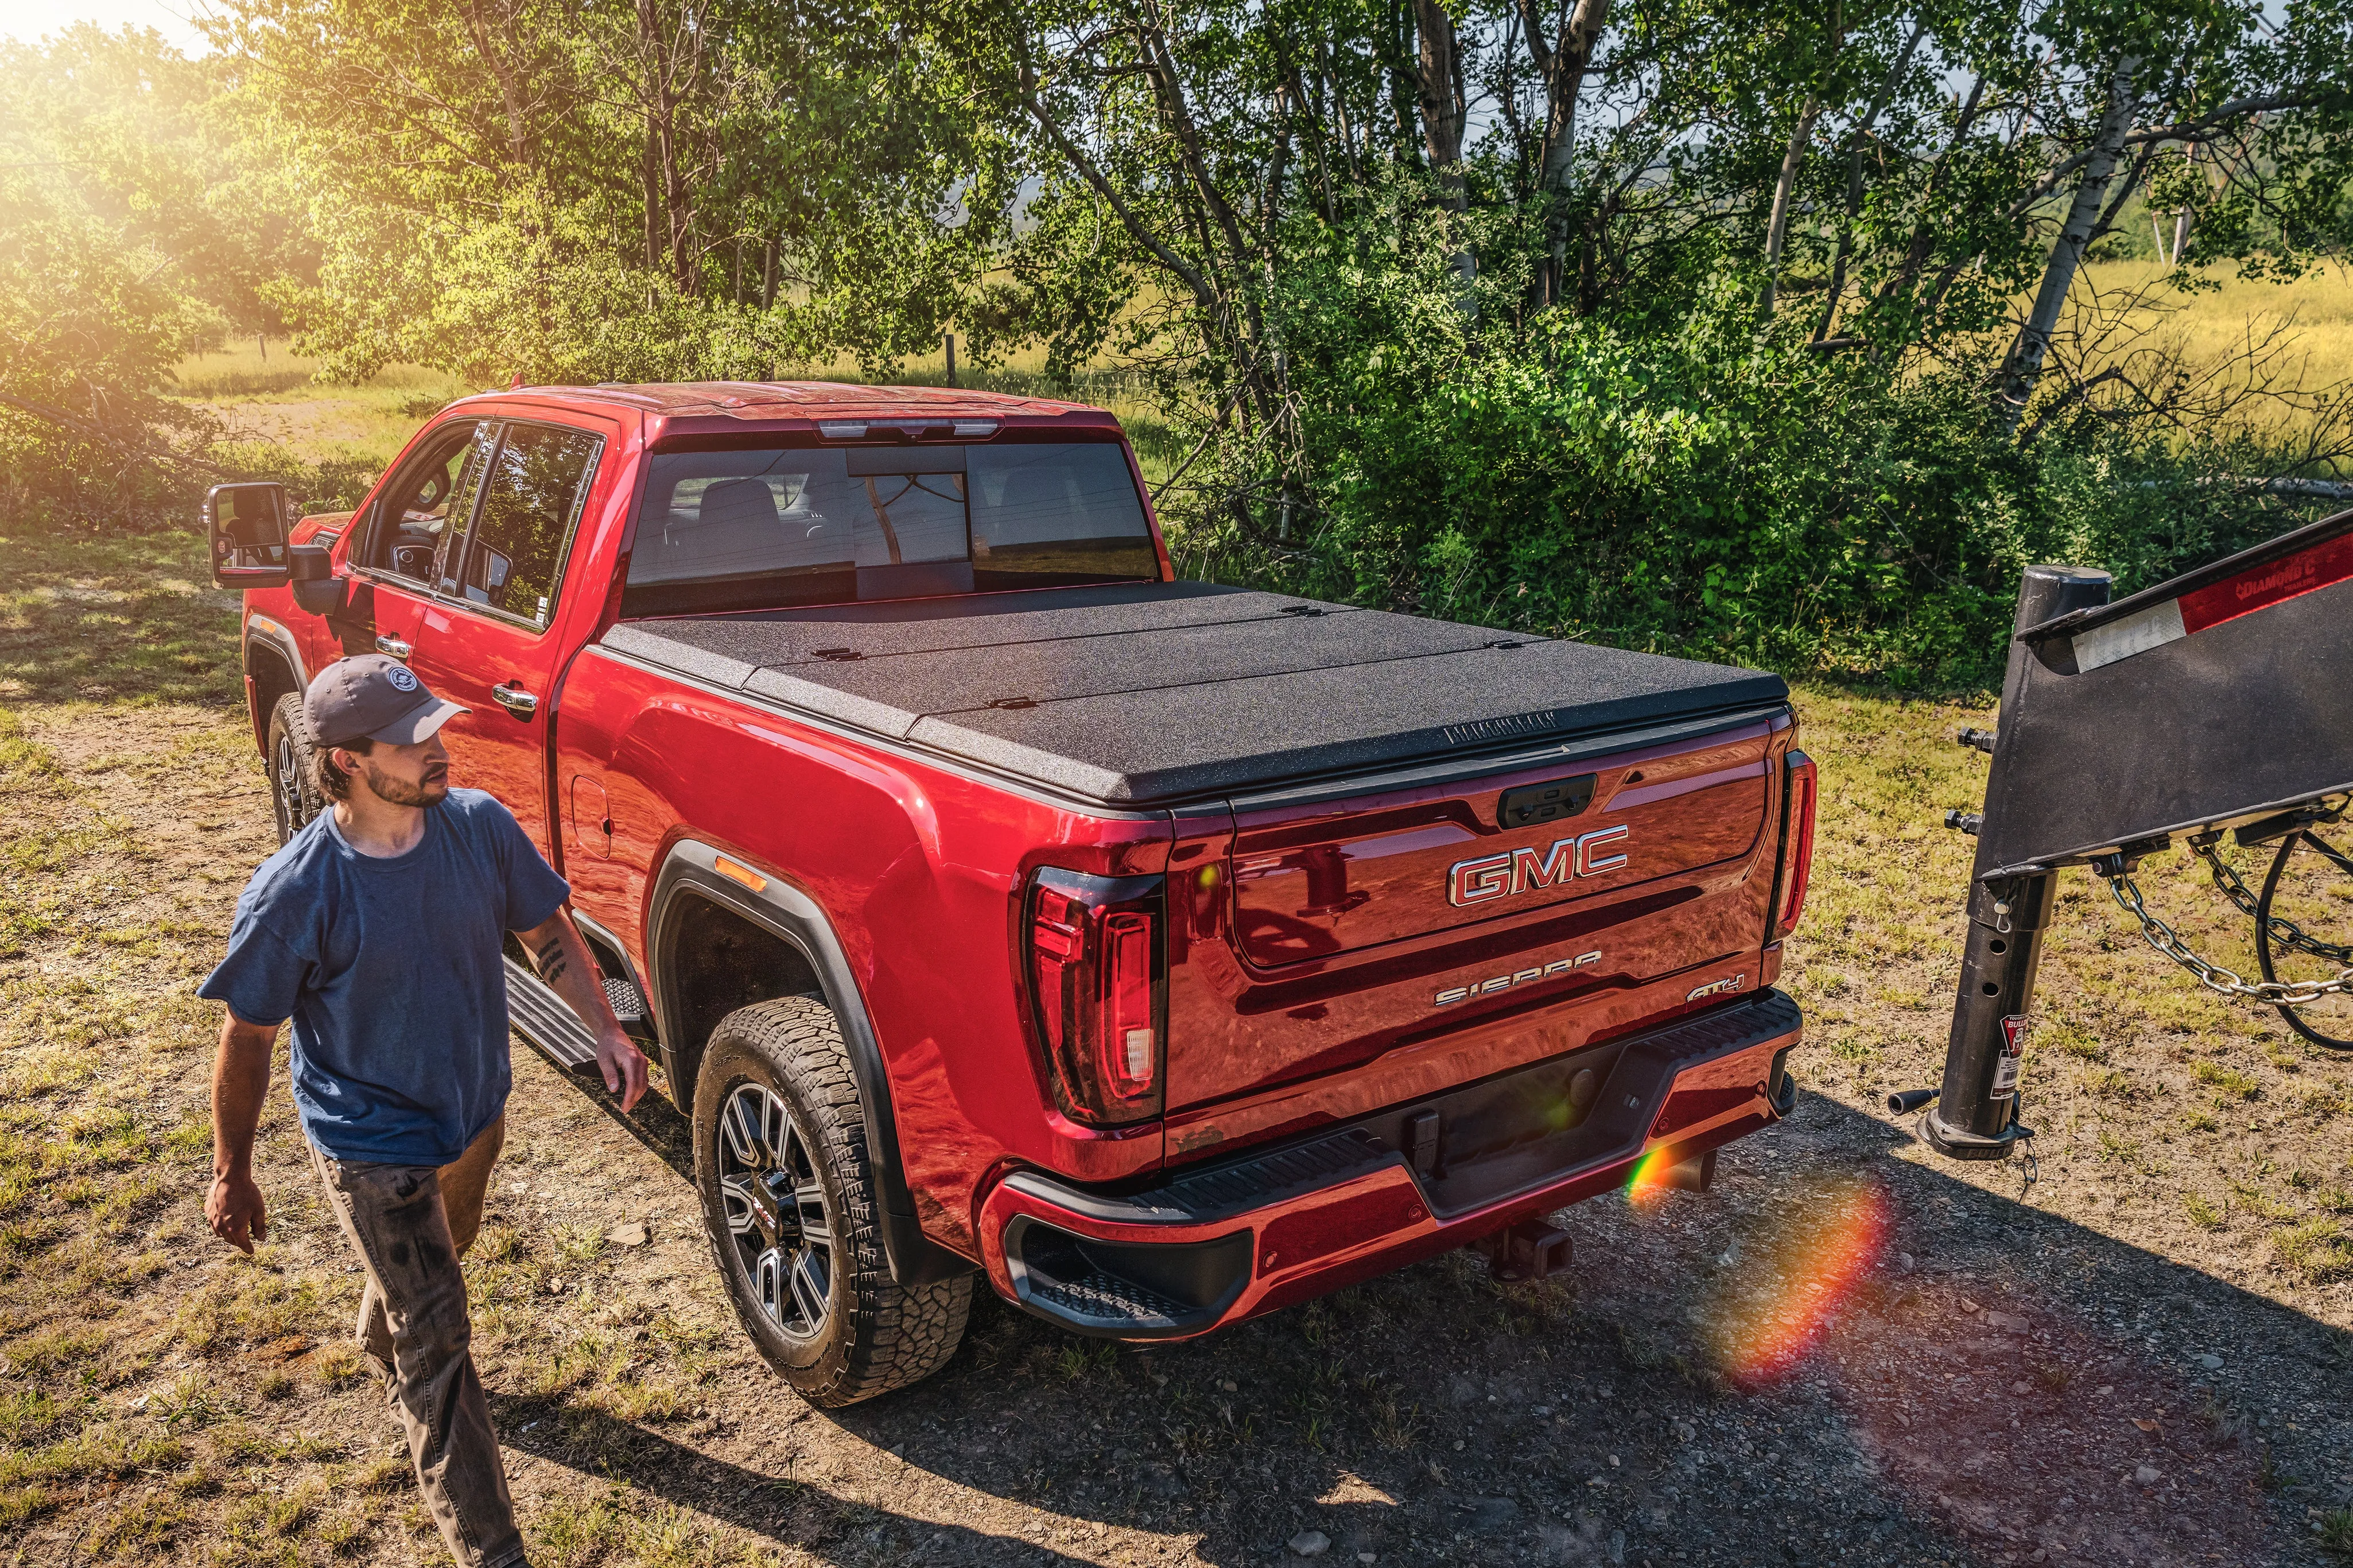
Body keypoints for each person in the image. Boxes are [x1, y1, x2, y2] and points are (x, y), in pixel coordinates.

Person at [200, 654, 650, 1568]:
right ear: (350, 763)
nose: (439, 751)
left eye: (436, 730)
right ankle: (492, 1551)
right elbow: (247, 1039)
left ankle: (384, 1320)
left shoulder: (477, 827)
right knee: (440, 1348)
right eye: (413, 743)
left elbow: (545, 930)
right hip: (373, 1145)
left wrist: (602, 1029)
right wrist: (231, 1170)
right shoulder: (297, 893)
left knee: (452, 1246)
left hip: (474, 1110)